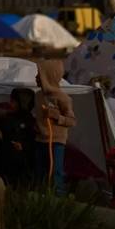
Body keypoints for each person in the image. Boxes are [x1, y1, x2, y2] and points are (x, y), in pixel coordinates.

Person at [34, 60, 76, 191]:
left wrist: (57, 117)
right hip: (40, 139)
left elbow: (72, 121)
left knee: (55, 172)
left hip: (56, 141)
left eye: (39, 75)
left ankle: (57, 197)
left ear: (48, 76)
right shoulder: (38, 95)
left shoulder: (63, 98)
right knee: (39, 171)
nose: (36, 78)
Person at [0, 87, 38, 186]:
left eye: (13, 102)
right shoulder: (9, 117)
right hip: (2, 161)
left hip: (20, 165)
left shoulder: (30, 121)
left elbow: (33, 142)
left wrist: (22, 146)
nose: (11, 104)